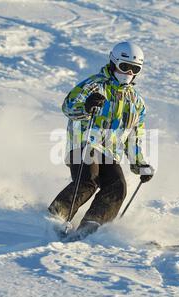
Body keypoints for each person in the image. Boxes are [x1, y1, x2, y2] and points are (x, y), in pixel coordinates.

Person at [48, 41, 155, 237]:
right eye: (124, 67)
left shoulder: (137, 103)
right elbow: (68, 106)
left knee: (118, 186)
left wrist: (140, 164)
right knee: (88, 180)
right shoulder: (94, 84)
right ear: (114, 63)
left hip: (109, 153)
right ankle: (55, 215)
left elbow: (134, 137)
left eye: (134, 69)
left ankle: (92, 225)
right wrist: (86, 106)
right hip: (84, 143)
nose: (128, 73)